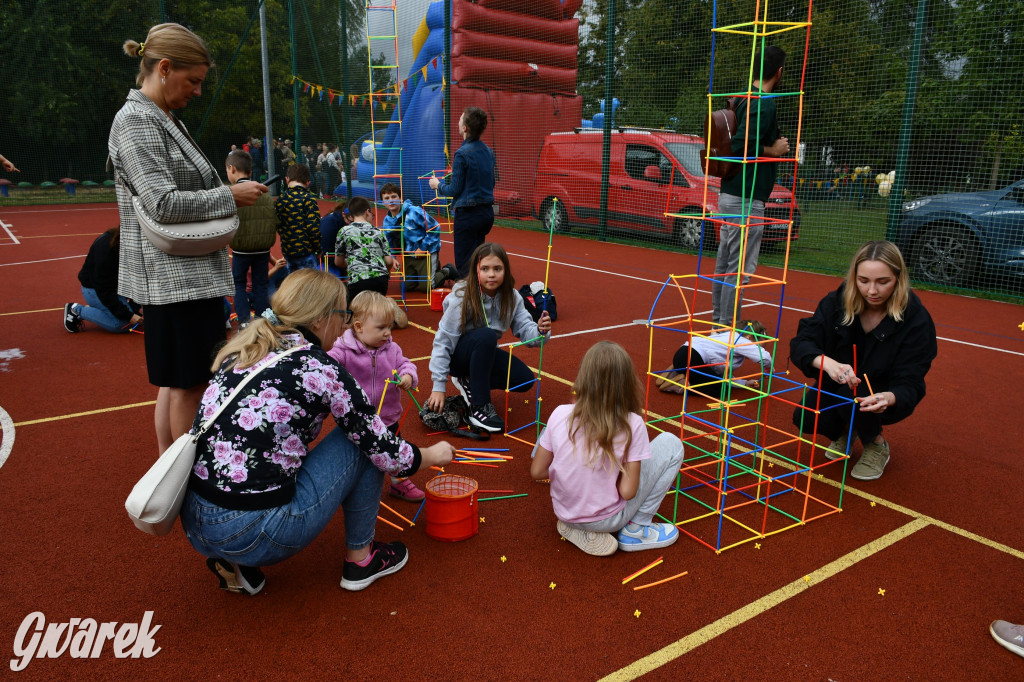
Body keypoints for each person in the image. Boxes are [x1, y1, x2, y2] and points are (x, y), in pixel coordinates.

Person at [180, 269, 456, 594]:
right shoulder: (320, 368)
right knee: (359, 438)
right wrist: (428, 455)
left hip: (195, 522)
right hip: (259, 531)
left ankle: (239, 563)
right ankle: (360, 560)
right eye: (341, 316)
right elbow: (379, 445)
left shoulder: (244, 351)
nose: (343, 326)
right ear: (319, 320)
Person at [110, 23, 268, 454]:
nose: (197, 91)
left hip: (180, 276)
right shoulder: (138, 120)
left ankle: (171, 471)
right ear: (164, 68)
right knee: (190, 385)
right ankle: (191, 478)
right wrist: (229, 195)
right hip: (175, 278)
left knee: (176, 382)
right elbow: (161, 202)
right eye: (193, 80)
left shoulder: (159, 117)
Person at [790, 240, 937, 481]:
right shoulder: (837, 301)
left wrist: (890, 398)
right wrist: (825, 362)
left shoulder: (916, 318)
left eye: (883, 282)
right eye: (863, 281)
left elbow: (911, 379)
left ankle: (876, 443)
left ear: (898, 279)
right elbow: (802, 342)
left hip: (882, 391)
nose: (871, 291)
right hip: (839, 385)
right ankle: (850, 430)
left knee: (855, 400)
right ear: (854, 277)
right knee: (806, 417)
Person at [530, 341, 684, 556]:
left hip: (564, 512)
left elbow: (537, 471)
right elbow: (627, 492)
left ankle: (576, 527)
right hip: (607, 520)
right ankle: (636, 529)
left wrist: (572, 469)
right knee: (671, 443)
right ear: (627, 383)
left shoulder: (559, 413)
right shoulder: (632, 423)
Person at [426, 243, 551, 433]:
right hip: (458, 358)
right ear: (476, 271)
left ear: (505, 270)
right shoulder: (462, 296)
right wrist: (438, 385)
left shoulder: (512, 297)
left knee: (524, 379)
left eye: (497, 269)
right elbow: (443, 340)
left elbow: (526, 330)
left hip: (482, 352)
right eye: (485, 269)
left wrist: (540, 331)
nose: (491, 274)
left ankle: (469, 381)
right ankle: (479, 406)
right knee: (486, 335)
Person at [712, 45, 790, 328]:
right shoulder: (763, 102)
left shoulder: (742, 97)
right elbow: (741, 144)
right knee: (738, 270)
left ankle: (719, 326)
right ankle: (726, 329)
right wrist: (774, 149)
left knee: (725, 265)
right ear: (778, 72)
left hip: (732, 192)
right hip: (746, 194)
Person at [327, 290, 424, 502]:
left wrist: (408, 375)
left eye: (390, 327)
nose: (388, 333)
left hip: (388, 416)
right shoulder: (343, 350)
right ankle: (348, 485)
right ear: (359, 327)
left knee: (394, 449)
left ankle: (399, 482)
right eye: (381, 327)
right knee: (354, 453)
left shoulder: (392, 349)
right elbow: (326, 364)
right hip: (357, 420)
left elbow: (406, 364)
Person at [429, 107, 496, 277]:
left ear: (465, 128)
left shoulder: (461, 154)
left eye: (460, 119)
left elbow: (454, 190)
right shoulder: (488, 152)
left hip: (468, 215)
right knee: (477, 259)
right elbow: (491, 182)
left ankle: (467, 299)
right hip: (486, 214)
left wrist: (438, 185)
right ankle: (479, 296)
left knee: (465, 264)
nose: (458, 122)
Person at [226, 150, 277, 325]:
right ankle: (263, 320)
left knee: (239, 285)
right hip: (263, 248)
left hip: (241, 248)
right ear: (250, 172)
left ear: (232, 169)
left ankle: (245, 321)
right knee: (260, 286)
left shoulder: (232, 194)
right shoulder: (264, 193)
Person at [654, 320, 773, 394]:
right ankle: (681, 384)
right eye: (761, 345)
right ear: (749, 336)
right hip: (693, 357)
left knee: (718, 382)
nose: (761, 348)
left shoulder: (728, 337)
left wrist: (744, 383)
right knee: (718, 389)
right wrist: (768, 370)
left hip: (683, 353)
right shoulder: (740, 340)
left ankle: (678, 371)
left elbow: (722, 377)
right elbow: (765, 358)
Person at [380, 182, 457, 292]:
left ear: (400, 198)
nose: (391, 200)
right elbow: (390, 241)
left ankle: (447, 270)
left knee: (428, 287)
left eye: (394, 196)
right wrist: (393, 258)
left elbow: (435, 227)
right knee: (406, 287)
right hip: (408, 255)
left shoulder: (414, 211)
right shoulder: (387, 221)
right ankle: (424, 274)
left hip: (426, 252)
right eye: (387, 198)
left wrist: (423, 248)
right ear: (383, 202)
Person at [63, 227, 142, 334]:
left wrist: (135, 308)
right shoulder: (106, 249)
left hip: (114, 286)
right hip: (94, 289)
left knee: (132, 315)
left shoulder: (125, 244)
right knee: (122, 324)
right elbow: (104, 290)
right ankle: (76, 310)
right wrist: (129, 315)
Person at [334, 196, 397, 299]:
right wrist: (387, 272)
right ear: (368, 212)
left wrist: (352, 260)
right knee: (377, 308)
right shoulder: (378, 231)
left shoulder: (344, 231)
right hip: (381, 278)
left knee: (357, 310)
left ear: (351, 215)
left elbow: (338, 262)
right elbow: (389, 261)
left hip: (358, 279)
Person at [275, 163, 322, 275]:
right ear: (308, 182)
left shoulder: (281, 199)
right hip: (306, 251)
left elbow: (277, 224)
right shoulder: (309, 199)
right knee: (309, 282)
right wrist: (318, 248)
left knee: (292, 282)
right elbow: (313, 228)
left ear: (287, 180)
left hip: (288, 250)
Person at [320, 199, 353, 279]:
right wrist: (346, 264)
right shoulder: (329, 225)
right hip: (326, 260)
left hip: (342, 258)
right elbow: (326, 254)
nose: (353, 224)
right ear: (343, 215)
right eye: (350, 221)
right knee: (333, 279)